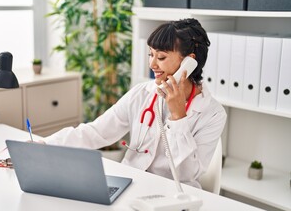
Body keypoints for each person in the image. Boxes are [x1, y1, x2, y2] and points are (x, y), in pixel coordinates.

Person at [43, 18, 227, 189]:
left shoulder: (213, 114)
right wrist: (45, 144)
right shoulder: (142, 93)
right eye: (151, 55)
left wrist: (179, 117)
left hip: (173, 195)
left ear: (189, 62)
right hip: (130, 187)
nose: (152, 64)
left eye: (161, 57)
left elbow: (185, 174)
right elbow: (97, 132)